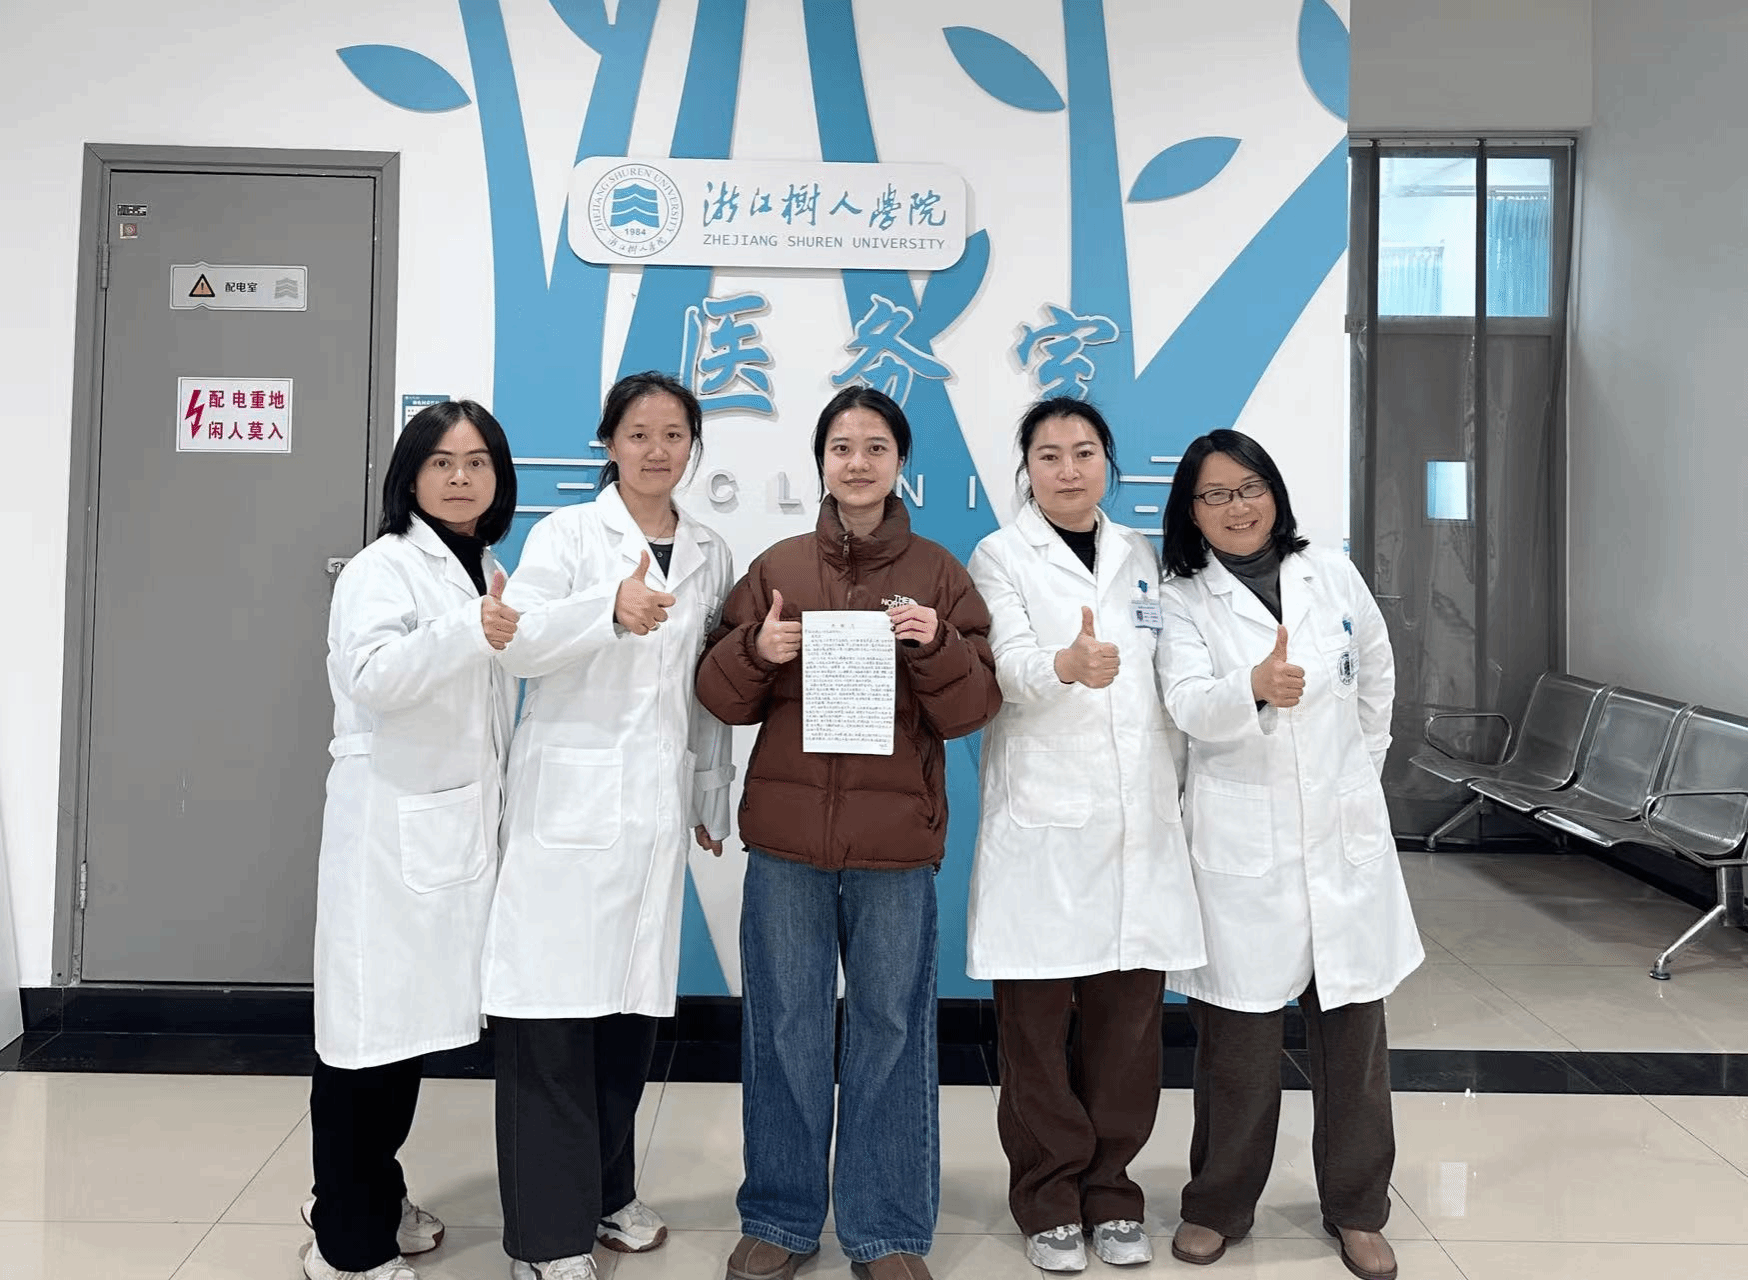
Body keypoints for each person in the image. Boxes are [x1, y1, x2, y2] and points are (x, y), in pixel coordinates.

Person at [696, 385, 1002, 1280]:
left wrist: (937, 645)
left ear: (901, 462)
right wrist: (756, 652)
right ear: (821, 461)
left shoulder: (939, 574)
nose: (858, 462)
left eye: (875, 447)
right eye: (841, 447)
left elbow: (974, 708)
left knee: (891, 1032)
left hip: (895, 847)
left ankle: (887, 1228)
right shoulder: (778, 567)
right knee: (784, 1028)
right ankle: (781, 1217)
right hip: (786, 845)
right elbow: (717, 695)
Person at [481, 372, 735, 1280]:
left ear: (692, 447)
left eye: (674, 435)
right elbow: (519, 643)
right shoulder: (566, 535)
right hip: (569, 806)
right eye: (638, 434)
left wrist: (710, 792)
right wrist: (607, 612)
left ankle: (603, 1191)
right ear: (609, 444)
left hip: (653, 812)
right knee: (553, 1020)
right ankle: (547, 1240)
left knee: (628, 1012)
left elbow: (705, 685)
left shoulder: (708, 549)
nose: (657, 451)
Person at [1155, 430, 1420, 1280]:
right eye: (1215, 495)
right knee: (1237, 1050)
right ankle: (1218, 1205)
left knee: (1355, 1045)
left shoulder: (1330, 573)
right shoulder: (1182, 598)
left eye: (1250, 488)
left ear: (1274, 492)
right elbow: (1187, 703)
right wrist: (1253, 689)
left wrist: (1356, 774)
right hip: (1244, 844)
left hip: (1340, 837)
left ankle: (1358, 1209)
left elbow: (1374, 672)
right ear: (1191, 512)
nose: (1237, 507)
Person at [964, 397, 1206, 1273]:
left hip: (1139, 818)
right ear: (1026, 470)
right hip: (1044, 819)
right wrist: (1063, 665)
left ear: (1108, 461)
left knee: (1128, 1024)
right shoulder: (1000, 555)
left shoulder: (1142, 555)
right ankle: (1047, 1198)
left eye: (1084, 452)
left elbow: (1170, 681)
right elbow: (1005, 666)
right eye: (1049, 455)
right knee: (1034, 1028)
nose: (1068, 470)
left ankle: (1112, 1192)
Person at [303, 400, 520, 1280]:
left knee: (403, 1042)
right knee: (364, 1046)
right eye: (441, 462)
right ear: (410, 476)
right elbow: (373, 677)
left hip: (445, 826)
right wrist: (466, 631)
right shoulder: (381, 568)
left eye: (477, 461)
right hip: (388, 834)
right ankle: (345, 1248)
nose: (460, 477)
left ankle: (376, 1198)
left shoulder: (482, 566)